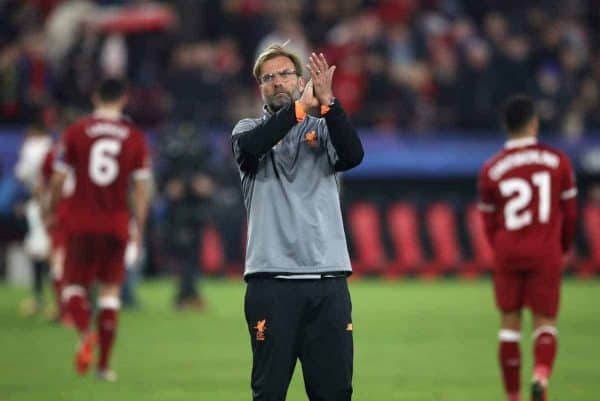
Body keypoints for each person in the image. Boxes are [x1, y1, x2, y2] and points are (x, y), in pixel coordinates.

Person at [231, 44, 363, 401]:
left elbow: (353, 155)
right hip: (271, 281)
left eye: (284, 74)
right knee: (269, 392)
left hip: (327, 279)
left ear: (301, 79)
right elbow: (254, 147)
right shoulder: (247, 130)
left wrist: (330, 104)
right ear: (259, 88)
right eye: (267, 78)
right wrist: (301, 108)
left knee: (335, 392)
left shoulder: (322, 129)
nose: (276, 82)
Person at [47, 78, 151, 381]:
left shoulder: (77, 131)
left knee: (72, 286)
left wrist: (53, 210)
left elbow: (57, 180)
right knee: (110, 293)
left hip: (81, 221)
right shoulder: (133, 136)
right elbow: (141, 189)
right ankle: (104, 367)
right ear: (124, 99)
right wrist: (138, 225)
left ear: (95, 97)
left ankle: (84, 333)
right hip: (117, 223)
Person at [478, 95, 577, 401]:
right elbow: (570, 214)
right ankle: (541, 376)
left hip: (508, 250)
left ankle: (513, 396)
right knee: (545, 322)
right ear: (533, 123)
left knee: (509, 325)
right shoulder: (558, 161)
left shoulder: (491, 168)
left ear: (506, 127)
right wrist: (562, 247)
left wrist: (501, 250)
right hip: (545, 249)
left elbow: (488, 222)